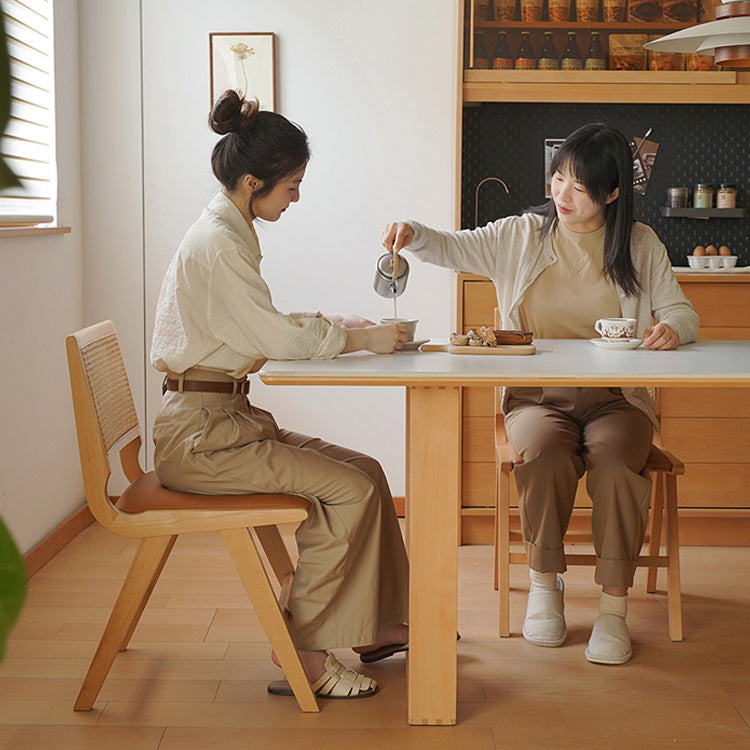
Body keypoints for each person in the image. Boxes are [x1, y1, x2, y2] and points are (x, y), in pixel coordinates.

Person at [381, 122, 698, 665]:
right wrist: (412, 231)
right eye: (558, 179)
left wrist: (673, 329)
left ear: (613, 192)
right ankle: (545, 588)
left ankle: (613, 610)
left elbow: (681, 312)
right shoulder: (521, 235)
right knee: (545, 456)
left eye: (579, 186)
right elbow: (454, 246)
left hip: (616, 398)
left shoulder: (640, 245)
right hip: (536, 397)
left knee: (619, 465)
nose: (562, 195)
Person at [150, 90, 409, 700]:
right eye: (291, 186)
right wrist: (362, 337)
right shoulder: (218, 242)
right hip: (204, 439)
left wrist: (334, 325)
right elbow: (271, 336)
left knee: (367, 472)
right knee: (346, 489)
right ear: (251, 182)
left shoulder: (225, 229)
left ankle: (375, 626)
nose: (297, 197)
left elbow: (248, 323)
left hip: (220, 420)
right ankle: (305, 651)